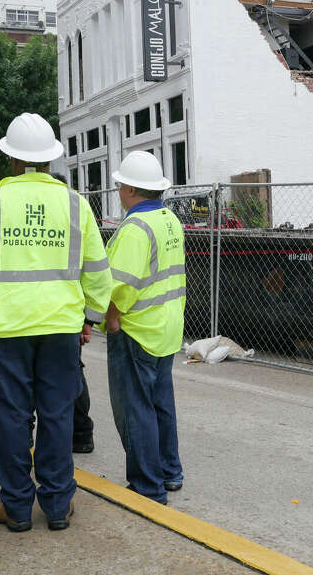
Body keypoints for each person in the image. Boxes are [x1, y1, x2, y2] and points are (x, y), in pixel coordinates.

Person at [0, 113, 112, 532]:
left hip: (6, 331)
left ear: (11, 159)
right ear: (50, 161)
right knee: (58, 414)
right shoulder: (76, 205)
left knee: (9, 418)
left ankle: (16, 506)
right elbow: (98, 271)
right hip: (61, 329)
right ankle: (59, 504)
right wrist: (90, 319)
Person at [104, 151, 186, 504]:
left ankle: (147, 486)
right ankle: (170, 472)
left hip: (136, 329)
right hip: (167, 327)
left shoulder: (135, 229)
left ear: (132, 189)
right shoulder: (170, 219)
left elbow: (121, 284)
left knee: (136, 408)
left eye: (121, 184)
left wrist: (110, 316)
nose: (119, 190)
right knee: (161, 404)